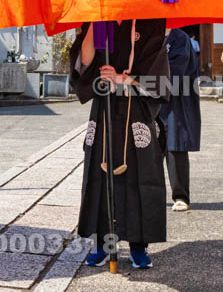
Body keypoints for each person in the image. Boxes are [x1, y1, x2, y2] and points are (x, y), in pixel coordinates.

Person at [70, 19, 170, 270]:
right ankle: (105, 244)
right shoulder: (99, 19)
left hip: (136, 108)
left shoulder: (148, 22)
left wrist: (123, 79)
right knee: (100, 174)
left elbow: (159, 78)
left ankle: (139, 245)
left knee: (140, 174)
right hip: (104, 107)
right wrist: (93, 21)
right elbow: (83, 62)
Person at [160, 28, 201, 212]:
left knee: (175, 148)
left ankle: (181, 196)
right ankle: (151, 196)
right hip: (150, 100)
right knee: (148, 150)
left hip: (175, 99)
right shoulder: (149, 33)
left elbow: (176, 70)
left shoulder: (180, 38)